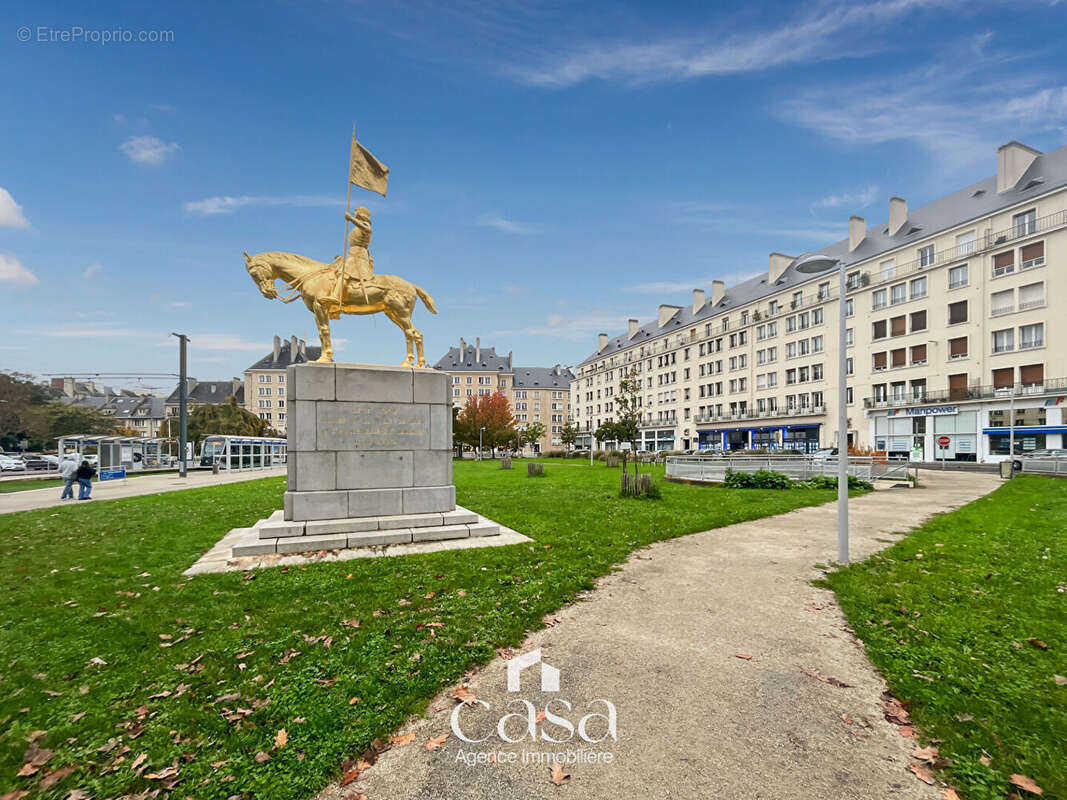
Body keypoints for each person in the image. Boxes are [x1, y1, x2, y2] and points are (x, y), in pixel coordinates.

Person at [325, 207, 375, 317]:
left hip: (358, 256)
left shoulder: (366, 225)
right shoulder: (356, 228)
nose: (354, 212)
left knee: (343, 273)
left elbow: (367, 230)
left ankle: (336, 298)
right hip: (352, 254)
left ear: (361, 214)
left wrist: (351, 219)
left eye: (356, 211)